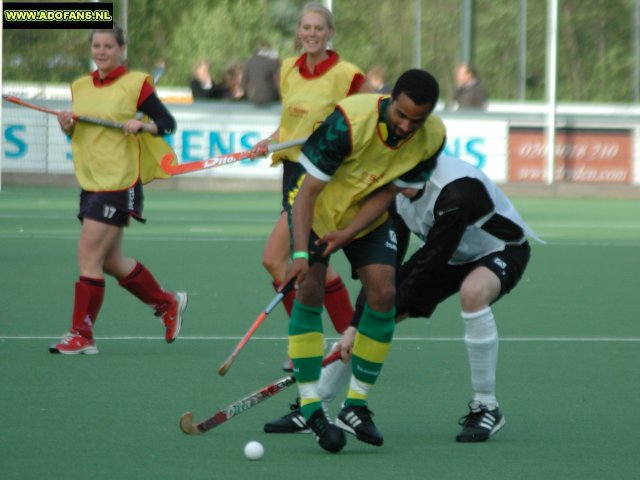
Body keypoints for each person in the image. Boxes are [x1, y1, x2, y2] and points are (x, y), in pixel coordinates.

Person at [265, 154, 539, 443]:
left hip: (500, 250)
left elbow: (428, 262)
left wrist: (358, 326)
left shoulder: (458, 190)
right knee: (375, 316)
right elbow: (385, 268)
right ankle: (316, 407)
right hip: (447, 255)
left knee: (472, 294)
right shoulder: (392, 192)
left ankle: (486, 405)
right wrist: (357, 323)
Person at [279, 68, 446, 453]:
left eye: (415, 121)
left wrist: (350, 232)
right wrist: (302, 252)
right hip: (316, 210)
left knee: (384, 293)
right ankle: (309, 403)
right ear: (391, 100)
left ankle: (355, 404)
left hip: (366, 216)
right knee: (309, 290)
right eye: (400, 115)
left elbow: (388, 189)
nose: (406, 126)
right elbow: (305, 192)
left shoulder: (432, 137)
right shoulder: (350, 122)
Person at [49, 25, 187, 355]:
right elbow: (82, 136)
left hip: (119, 183)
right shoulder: (80, 85)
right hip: (91, 182)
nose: (101, 51)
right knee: (109, 262)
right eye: (96, 45)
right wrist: (67, 127)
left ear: (121, 49)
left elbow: (168, 123)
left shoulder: (135, 84)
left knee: (88, 256)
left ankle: (82, 335)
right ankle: (166, 303)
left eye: (108, 46)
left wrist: (144, 125)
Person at [250, 2, 372, 364]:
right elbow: (291, 126)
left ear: (330, 33)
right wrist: (269, 140)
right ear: (298, 32)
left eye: (319, 28)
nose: (312, 34)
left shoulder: (348, 75)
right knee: (315, 264)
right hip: (291, 172)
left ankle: (307, 337)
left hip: (322, 176)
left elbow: (366, 122)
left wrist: (333, 135)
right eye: (307, 28)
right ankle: (350, 338)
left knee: (276, 258)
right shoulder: (287, 69)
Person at [241, 39, 281, 106]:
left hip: (253, 99)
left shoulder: (248, 62)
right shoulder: (273, 62)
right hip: (269, 98)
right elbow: (278, 81)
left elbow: (243, 83)